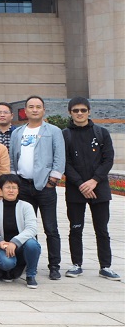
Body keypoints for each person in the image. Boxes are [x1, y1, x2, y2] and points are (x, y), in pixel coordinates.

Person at [62, 97, 119, 280]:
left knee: (102, 229)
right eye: (75, 110)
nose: (79, 113)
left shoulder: (101, 133)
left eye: (83, 110)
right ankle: (76, 264)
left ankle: (106, 266)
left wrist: (94, 181)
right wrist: (80, 183)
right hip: (75, 189)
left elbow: (108, 159)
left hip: (99, 189)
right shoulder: (65, 135)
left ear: (89, 111)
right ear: (70, 113)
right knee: (75, 228)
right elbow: (65, 163)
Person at [9, 95, 65, 280]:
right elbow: (12, 158)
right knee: (27, 227)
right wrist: (15, 180)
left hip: (45, 186)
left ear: (43, 110)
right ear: (25, 110)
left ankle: (54, 265)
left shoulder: (53, 131)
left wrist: (52, 180)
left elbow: (59, 157)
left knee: (51, 228)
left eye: (38, 107)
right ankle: (29, 263)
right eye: (31, 107)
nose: (34, 110)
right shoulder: (18, 132)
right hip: (23, 186)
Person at [0, 174, 41, 288]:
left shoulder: (26, 206)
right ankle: (7, 270)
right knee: (6, 263)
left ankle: (30, 275)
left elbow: (32, 228)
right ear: (1, 189)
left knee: (33, 244)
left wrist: (14, 242)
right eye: (7, 187)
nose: (11, 190)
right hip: (3, 245)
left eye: (14, 187)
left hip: (22, 244)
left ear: (18, 190)